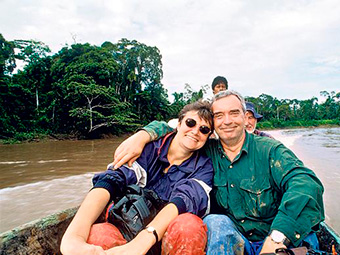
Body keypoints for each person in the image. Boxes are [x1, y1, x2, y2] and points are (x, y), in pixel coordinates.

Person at [112, 90, 324, 255]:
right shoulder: (207, 149)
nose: (227, 121)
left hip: (278, 239)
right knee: (215, 221)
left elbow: (305, 183)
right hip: (237, 239)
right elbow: (175, 127)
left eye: (234, 113)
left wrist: (276, 239)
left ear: (246, 117)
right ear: (213, 125)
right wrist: (141, 136)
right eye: (219, 115)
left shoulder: (269, 149)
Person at [60, 100, 214, 255]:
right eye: (190, 123)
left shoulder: (204, 167)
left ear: (208, 136)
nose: (195, 131)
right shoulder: (147, 148)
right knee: (98, 236)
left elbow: (185, 200)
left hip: (167, 235)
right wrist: (74, 235)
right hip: (129, 225)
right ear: (179, 124)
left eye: (204, 129)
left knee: (189, 226)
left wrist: (143, 241)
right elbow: (113, 179)